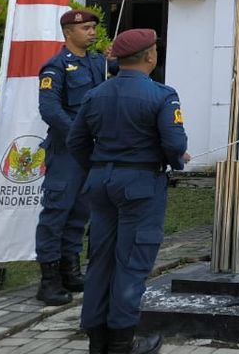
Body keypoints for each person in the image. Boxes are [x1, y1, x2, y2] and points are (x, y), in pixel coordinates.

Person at [67, 29, 190, 354]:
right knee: (131, 262)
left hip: (100, 183)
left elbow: (75, 142)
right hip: (139, 186)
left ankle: (98, 340)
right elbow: (174, 144)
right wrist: (176, 160)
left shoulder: (96, 94)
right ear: (150, 56)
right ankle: (122, 342)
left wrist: (98, 166)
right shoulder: (162, 95)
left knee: (100, 262)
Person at [35, 9, 115, 305]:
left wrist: (116, 58)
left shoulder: (97, 63)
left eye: (94, 27)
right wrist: (78, 134)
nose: (93, 32)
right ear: (69, 32)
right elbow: (50, 109)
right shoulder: (55, 67)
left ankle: (70, 269)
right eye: (87, 29)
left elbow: (116, 77)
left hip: (90, 152)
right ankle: (49, 279)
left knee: (80, 212)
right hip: (67, 150)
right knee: (57, 211)